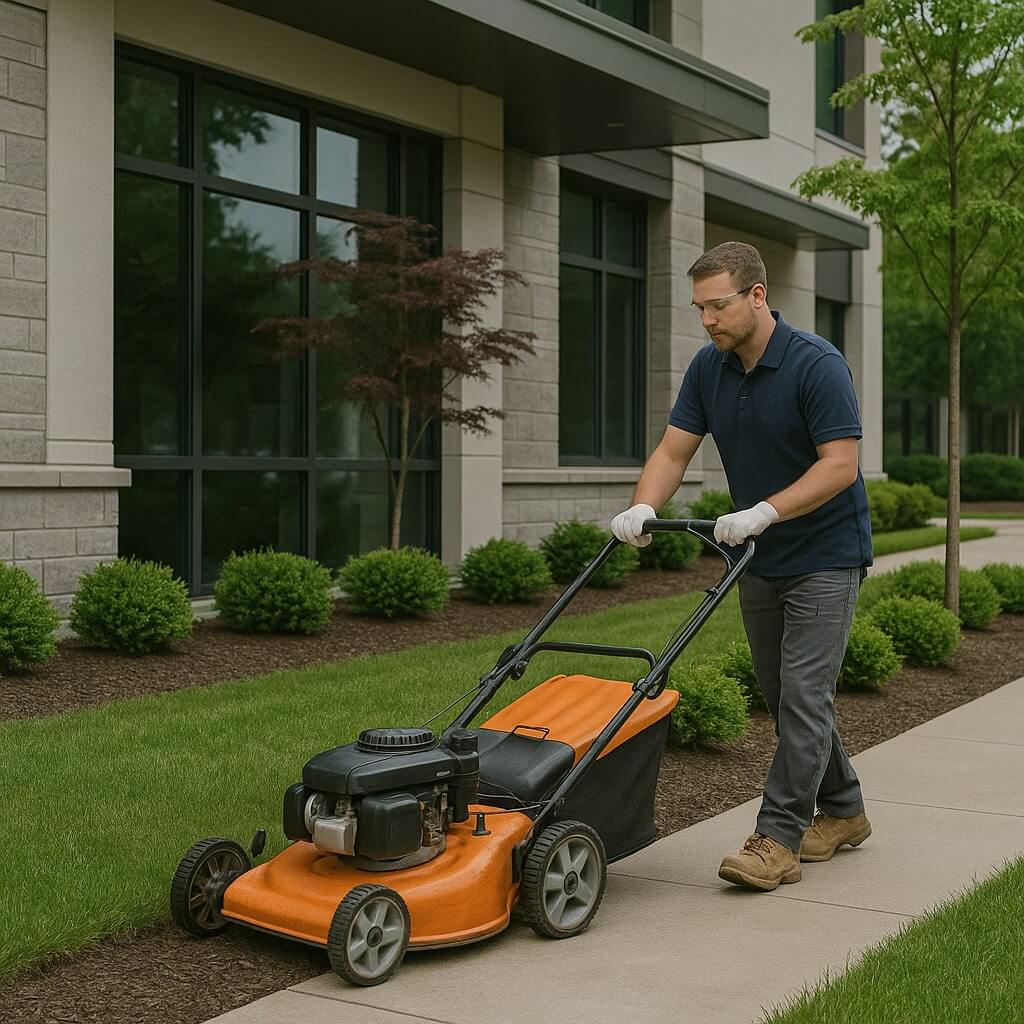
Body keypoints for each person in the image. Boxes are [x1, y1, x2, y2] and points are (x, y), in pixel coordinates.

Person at [611, 241, 873, 892]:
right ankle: (842, 810)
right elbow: (674, 450)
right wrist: (642, 507)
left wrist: (764, 511)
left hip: (827, 554)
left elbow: (840, 464)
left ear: (757, 296)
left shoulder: (817, 365)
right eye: (699, 308)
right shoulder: (710, 368)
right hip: (761, 557)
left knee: (805, 695)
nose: (707, 320)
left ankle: (778, 840)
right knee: (785, 696)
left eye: (717, 306)